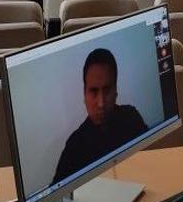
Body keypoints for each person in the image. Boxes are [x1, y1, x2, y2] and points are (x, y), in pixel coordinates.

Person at [52, 48, 147, 184]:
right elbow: (56, 197)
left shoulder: (132, 117)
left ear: (116, 91)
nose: (101, 103)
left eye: (107, 90)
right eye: (93, 91)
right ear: (84, 95)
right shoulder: (74, 146)